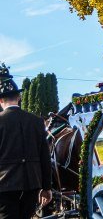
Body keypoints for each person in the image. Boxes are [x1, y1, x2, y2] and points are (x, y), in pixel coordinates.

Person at [0, 65, 52, 219]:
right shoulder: (36, 121)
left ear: (1, 100)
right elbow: (45, 157)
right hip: (31, 184)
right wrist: (46, 188)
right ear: (19, 97)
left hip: (4, 185)